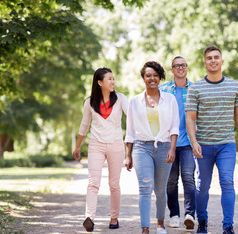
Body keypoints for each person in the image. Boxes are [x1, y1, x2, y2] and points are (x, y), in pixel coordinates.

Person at [185, 46, 238, 234]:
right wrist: (194, 141)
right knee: (203, 186)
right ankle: (202, 221)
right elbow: (190, 117)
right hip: (203, 145)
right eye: (209, 58)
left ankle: (228, 225)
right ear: (205, 62)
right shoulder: (195, 87)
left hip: (226, 144)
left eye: (216, 57)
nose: (213, 60)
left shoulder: (235, 86)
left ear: (222, 61)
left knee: (227, 182)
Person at [124, 61, 180, 234]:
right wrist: (128, 155)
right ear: (143, 78)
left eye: (155, 75)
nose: (152, 78)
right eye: (148, 75)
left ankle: (161, 224)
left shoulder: (169, 99)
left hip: (164, 147)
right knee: (145, 188)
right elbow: (130, 131)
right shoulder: (134, 102)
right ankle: (145, 228)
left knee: (160, 190)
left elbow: (174, 127)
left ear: (160, 77)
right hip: (142, 148)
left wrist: (172, 149)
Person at [72, 67, 128, 232]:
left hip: (116, 144)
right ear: (99, 82)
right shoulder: (89, 102)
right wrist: (77, 146)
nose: (113, 81)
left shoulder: (121, 99)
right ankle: (90, 217)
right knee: (93, 182)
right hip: (96, 145)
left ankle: (114, 217)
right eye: (109, 78)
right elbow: (84, 125)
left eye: (113, 78)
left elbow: (132, 116)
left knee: (114, 184)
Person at [159, 56, 196, 229]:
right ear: (172, 69)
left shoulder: (195, 89)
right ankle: (174, 214)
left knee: (188, 178)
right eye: (177, 66)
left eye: (183, 65)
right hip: (169, 142)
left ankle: (190, 214)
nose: (180, 68)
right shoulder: (163, 90)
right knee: (171, 181)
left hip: (189, 141)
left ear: (187, 68)